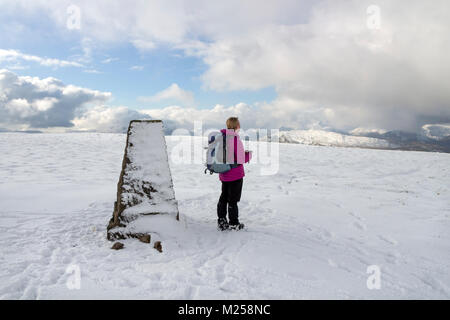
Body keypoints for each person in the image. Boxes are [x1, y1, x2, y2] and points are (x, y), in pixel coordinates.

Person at [217, 117, 252, 231]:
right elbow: (241, 159)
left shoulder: (221, 137)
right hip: (235, 174)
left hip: (223, 173)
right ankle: (233, 223)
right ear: (237, 126)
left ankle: (222, 221)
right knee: (233, 199)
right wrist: (249, 155)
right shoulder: (235, 139)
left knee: (223, 197)